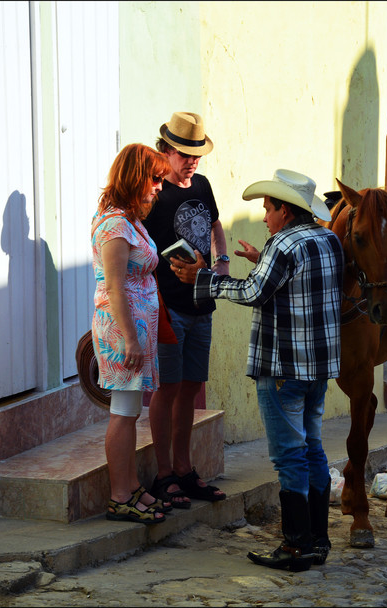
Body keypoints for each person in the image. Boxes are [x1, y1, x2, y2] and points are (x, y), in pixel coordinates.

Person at [170, 169, 343, 572]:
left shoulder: (282, 245)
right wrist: (258, 260)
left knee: (288, 455)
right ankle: (318, 540)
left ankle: (296, 545)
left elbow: (252, 292)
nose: (265, 216)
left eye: (268, 208)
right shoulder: (328, 238)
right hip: (317, 368)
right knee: (311, 448)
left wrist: (204, 277)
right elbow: (296, 285)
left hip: (282, 368)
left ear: (284, 209)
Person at [143, 112, 228, 508]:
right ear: (165, 150)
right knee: (168, 389)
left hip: (202, 303)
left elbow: (215, 224)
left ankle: (184, 468)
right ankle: (163, 474)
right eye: (184, 153)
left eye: (197, 153)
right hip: (168, 306)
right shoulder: (154, 192)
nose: (192, 161)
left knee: (191, 388)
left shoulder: (204, 184)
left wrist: (223, 260)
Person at [91, 143, 173, 525]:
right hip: (123, 333)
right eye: (154, 179)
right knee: (123, 414)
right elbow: (115, 288)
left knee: (129, 412)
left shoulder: (129, 220)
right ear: (135, 177)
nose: (159, 186)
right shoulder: (114, 226)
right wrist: (130, 338)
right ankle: (119, 496)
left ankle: (131, 487)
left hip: (136, 330)